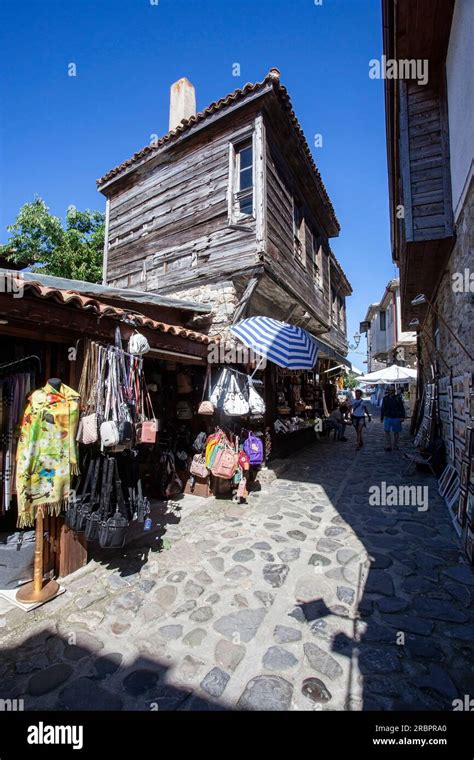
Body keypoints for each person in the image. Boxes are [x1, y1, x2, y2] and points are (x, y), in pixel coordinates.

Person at [381, 384, 406, 451]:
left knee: (396, 432)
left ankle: (395, 445)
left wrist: (402, 417)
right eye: (389, 390)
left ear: (394, 391)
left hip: (396, 417)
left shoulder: (398, 398)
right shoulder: (385, 398)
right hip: (388, 417)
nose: (389, 391)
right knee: (387, 431)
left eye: (391, 390)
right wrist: (382, 417)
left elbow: (401, 408)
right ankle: (389, 445)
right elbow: (383, 408)